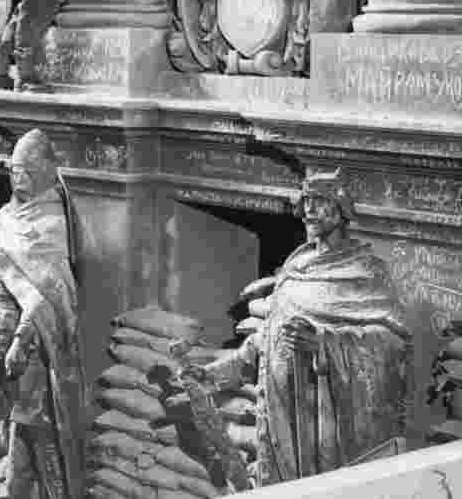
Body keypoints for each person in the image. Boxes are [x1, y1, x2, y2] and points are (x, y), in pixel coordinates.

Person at [169, 169, 412, 486]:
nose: (309, 210)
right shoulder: (295, 267)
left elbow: (391, 345)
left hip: (325, 425)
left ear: (341, 210)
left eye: (320, 201)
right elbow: (267, 340)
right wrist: (215, 373)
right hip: (282, 417)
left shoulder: (366, 272)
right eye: (306, 201)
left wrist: (323, 344)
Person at [0, 129, 85, 499]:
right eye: (14, 171)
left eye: (27, 172)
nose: (19, 179)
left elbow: (50, 294)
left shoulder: (50, 224)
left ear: (47, 172)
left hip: (25, 346)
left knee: (34, 427)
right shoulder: (4, 216)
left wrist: (21, 340)